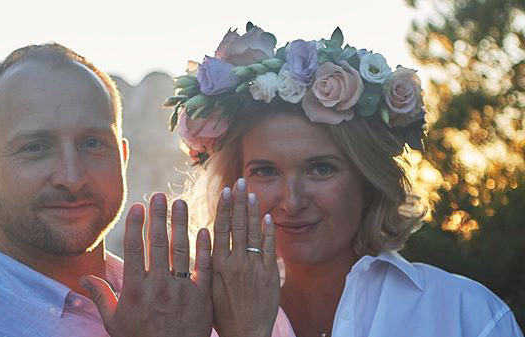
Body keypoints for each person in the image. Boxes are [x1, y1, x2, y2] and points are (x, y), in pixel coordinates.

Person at [165, 23, 524, 337]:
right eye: (266, 171)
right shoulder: (192, 324)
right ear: (234, 185)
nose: (292, 201)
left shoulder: (467, 316)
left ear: (367, 180)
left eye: (321, 169)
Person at [0, 43, 214, 337]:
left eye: (92, 143)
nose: (71, 177)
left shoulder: (178, 306)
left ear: (122, 159)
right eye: (36, 148)